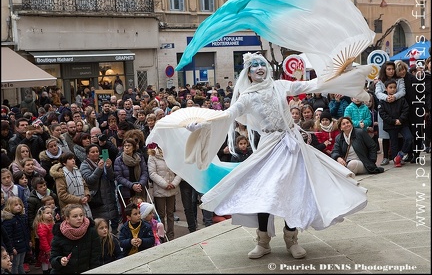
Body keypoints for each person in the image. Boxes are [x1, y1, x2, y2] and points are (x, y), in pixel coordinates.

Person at [147, 52, 371, 260]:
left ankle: (291, 238)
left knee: (294, 190)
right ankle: (263, 241)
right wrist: (202, 124)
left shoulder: (280, 86)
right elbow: (228, 114)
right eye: (254, 66)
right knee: (266, 192)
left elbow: (310, 84)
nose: (259, 68)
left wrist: (339, 75)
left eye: (262, 64)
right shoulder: (247, 97)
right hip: (269, 145)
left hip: (291, 143)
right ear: (248, 73)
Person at [80, 144, 119, 235]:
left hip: (108, 195)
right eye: (92, 152)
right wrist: (99, 169)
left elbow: (111, 177)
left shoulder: (103, 161)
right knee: (99, 223)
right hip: (97, 198)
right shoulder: (84, 165)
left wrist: (109, 167)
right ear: (88, 154)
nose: (95, 154)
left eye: (97, 151)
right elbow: (89, 180)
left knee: (110, 219)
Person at [50, 204, 101, 274]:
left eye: (81, 215)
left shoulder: (91, 231)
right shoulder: (59, 234)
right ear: (67, 219)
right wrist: (60, 260)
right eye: (75, 216)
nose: (79, 218)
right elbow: (53, 259)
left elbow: (96, 256)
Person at [147, 144, 181, 241]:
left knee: (170, 213)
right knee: (160, 214)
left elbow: (179, 171)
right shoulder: (152, 155)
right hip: (160, 190)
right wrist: (165, 184)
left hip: (172, 189)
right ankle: (162, 236)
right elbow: (152, 173)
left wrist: (174, 183)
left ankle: (171, 235)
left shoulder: (173, 154)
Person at [374, 61, 405, 166]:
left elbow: (402, 91)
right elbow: (378, 93)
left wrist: (394, 96)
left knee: (398, 135)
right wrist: (387, 97)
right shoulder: (380, 82)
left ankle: (398, 157)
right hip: (385, 110)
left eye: (392, 69)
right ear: (384, 70)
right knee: (385, 135)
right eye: (389, 69)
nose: (391, 71)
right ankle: (385, 157)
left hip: (397, 109)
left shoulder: (399, 80)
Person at [377, 79, 413, 167]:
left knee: (409, 138)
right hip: (390, 125)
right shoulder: (383, 101)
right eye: (390, 87)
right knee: (394, 143)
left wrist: (400, 120)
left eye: (394, 87)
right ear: (386, 88)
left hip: (402, 123)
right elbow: (383, 114)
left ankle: (401, 155)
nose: (393, 89)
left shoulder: (401, 99)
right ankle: (395, 159)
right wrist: (393, 121)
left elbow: (406, 110)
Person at [114, 138, 149, 223]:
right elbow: (118, 176)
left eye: (129, 146)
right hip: (126, 191)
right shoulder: (119, 160)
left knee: (141, 213)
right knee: (128, 215)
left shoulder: (139, 158)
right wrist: (132, 185)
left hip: (139, 190)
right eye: (125, 146)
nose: (126, 148)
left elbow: (144, 172)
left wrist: (140, 184)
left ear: (133, 147)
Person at [49, 152, 93, 219]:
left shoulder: (77, 171)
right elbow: (62, 195)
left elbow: (85, 186)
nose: (73, 160)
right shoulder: (60, 175)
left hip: (84, 204)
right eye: (70, 159)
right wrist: (79, 200)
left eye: (73, 158)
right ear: (64, 163)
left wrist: (87, 196)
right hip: (69, 208)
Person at [2, 197, 30, 274]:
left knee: (21, 263)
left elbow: (26, 231)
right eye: (16, 205)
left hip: (23, 245)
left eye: (20, 204)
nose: (19, 206)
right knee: (15, 264)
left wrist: (28, 241)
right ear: (9, 206)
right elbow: (8, 236)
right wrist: (12, 247)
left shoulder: (22, 217)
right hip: (16, 247)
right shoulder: (8, 220)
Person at [33, 206, 54, 274]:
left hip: (52, 247)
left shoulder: (51, 223)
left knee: (51, 264)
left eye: (51, 213)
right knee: (45, 264)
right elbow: (43, 239)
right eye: (47, 213)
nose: (50, 214)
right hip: (46, 249)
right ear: (41, 215)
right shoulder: (42, 226)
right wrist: (47, 249)